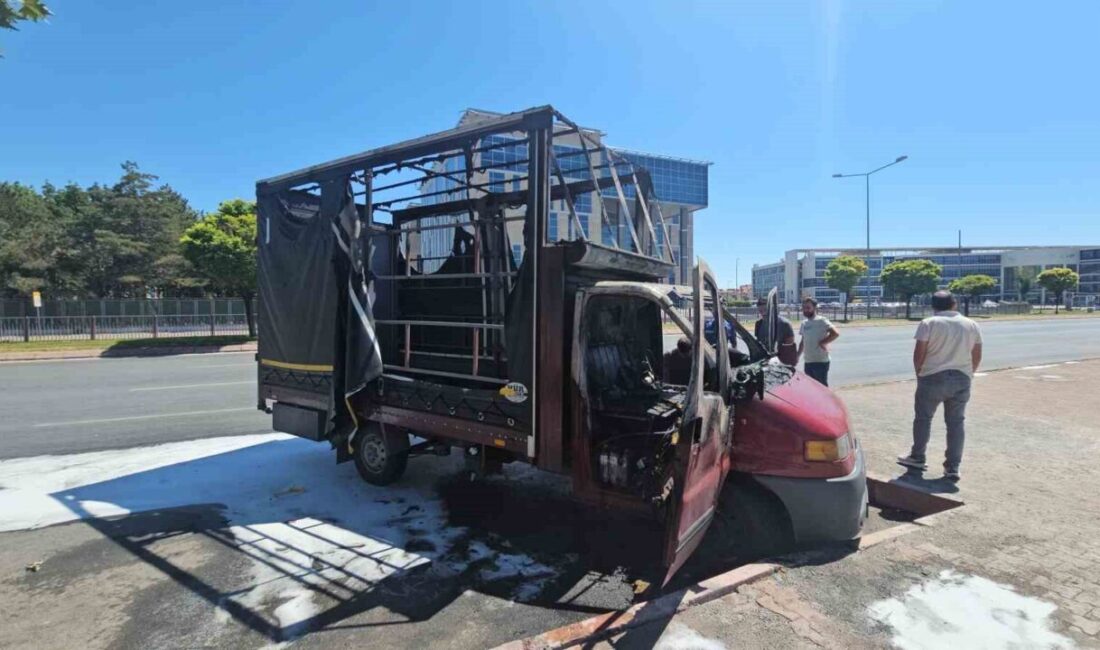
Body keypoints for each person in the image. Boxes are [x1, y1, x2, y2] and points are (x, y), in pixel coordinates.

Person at [897, 290, 983, 482]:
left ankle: (918, 456)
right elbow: (976, 354)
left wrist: (919, 373)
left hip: (932, 376)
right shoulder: (971, 324)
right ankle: (952, 467)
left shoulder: (929, 323)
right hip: (961, 377)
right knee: (956, 423)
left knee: (923, 419)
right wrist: (970, 373)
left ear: (933, 306)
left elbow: (919, 353)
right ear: (955, 304)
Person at [798, 297, 840, 386]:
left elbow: (835, 333)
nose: (805, 310)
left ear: (815, 308)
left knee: (822, 388)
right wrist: (797, 356)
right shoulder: (804, 323)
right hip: (808, 361)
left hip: (820, 361)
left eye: (808, 307)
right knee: (811, 388)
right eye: (804, 308)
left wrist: (823, 342)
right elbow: (803, 341)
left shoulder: (822, 320)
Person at [754, 298, 798, 365]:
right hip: (764, 360)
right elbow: (758, 342)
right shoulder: (758, 324)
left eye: (765, 310)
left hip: (781, 361)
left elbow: (789, 345)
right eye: (760, 310)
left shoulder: (784, 323)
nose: (763, 313)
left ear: (771, 309)